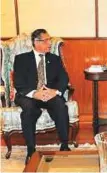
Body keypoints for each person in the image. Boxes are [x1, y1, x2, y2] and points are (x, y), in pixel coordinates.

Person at [13, 29, 71, 164]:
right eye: (46, 40)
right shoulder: (21, 59)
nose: (50, 43)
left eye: (49, 40)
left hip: (49, 93)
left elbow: (63, 78)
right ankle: (31, 150)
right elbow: (19, 82)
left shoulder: (54, 59)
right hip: (29, 95)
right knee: (28, 110)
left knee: (60, 105)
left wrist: (55, 91)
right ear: (36, 42)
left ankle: (64, 144)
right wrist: (35, 93)